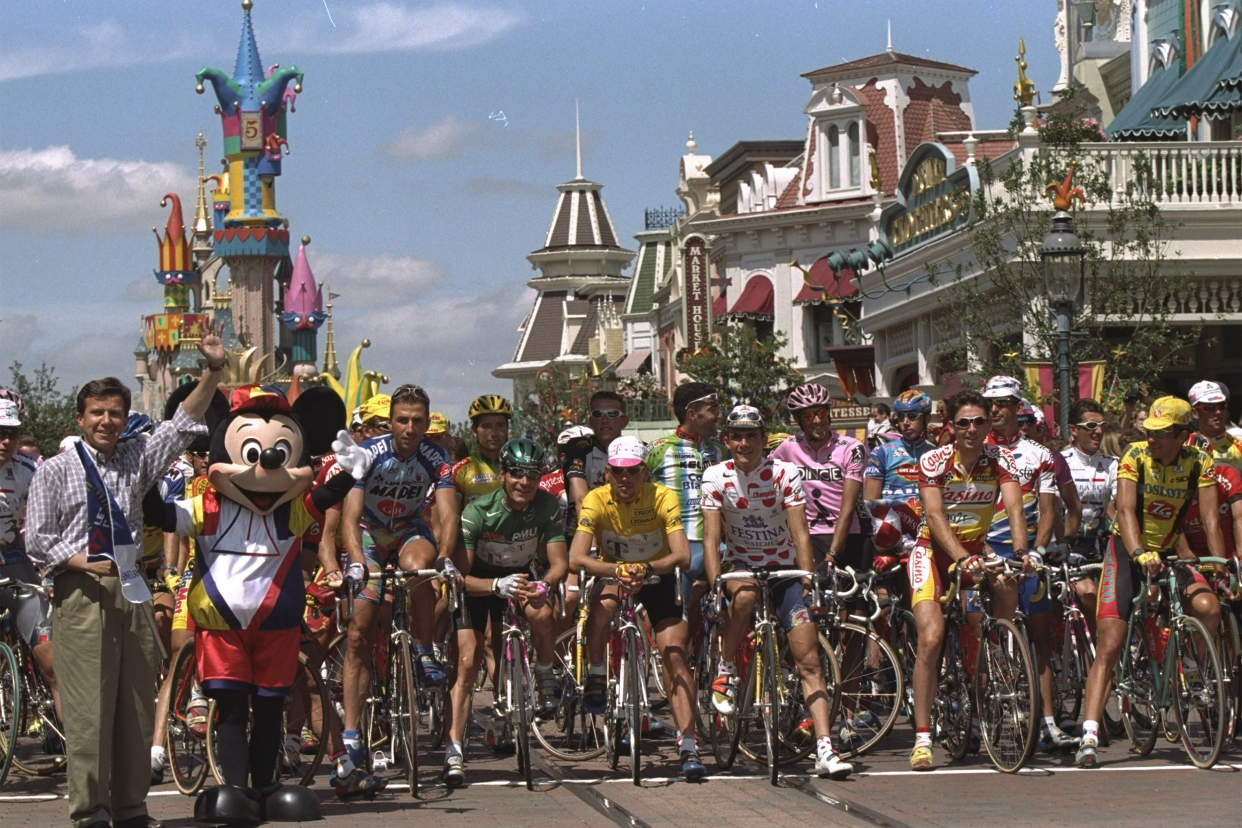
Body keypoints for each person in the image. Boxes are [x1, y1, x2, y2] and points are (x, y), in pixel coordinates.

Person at [26, 336, 225, 828]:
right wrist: (78, 561)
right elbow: (37, 536)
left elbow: (181, 425)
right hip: (80, 593)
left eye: (115, 413)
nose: (107, 422)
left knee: (137, 702)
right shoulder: (54, 470)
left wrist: (214, 371)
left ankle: (133, 806)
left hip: (132, 587)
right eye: (97, 413)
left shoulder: (137, 457)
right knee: (89, 708)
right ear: (80, 418)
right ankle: (91, 810)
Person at [701, 404, 853, 779]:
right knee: (747, 594)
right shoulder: (715, 476)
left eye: (751, 436)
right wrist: (716, 583)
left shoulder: (784, 473)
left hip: (783, 568)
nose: (744, 443)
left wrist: (806, 577)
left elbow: (801, 532)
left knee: (810, 660)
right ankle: (725, 669)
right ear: (727, 440)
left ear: (762, 440)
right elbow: (711, 538)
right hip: (740, 564)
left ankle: (824, 748)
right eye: (737, 436)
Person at [1075, 396, 1224, 769]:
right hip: (1126, 550)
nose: (1153, 438)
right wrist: (1139, 550)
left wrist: (1221, 566)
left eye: (1162, 433)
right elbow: (1124, 509)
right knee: (1110, 641)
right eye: (1150, 431)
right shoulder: (1135, 456)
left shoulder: (1198, 462)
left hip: (1170, 550)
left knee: (1209, 607)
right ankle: (1089, 733)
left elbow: (1210, 521)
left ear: (1183, 435)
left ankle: (1191, 669)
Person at [339, 384, 458, 776]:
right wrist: (356, 562)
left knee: (417, 569)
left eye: (417, 421)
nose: (409, 427)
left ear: (427, 423)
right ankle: (352, 735)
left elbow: (448, 513)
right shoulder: (369, 453)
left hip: (409, 530)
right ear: (390, 422)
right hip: (371, 533)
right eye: (402, 420)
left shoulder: (436, 456)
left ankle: (423, 650)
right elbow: (350, 515)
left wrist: (443, 558)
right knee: (358, 632)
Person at [569, 436, 704, 780]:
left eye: (631, 472)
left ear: (645, 472)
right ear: (608, 474)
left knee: (674, 654)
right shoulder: (596, 500)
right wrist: (619, 570)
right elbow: (577, 558)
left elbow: (682, 557)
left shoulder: (663, 497)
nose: (624, 480)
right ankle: (598, 675)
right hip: (615, 571)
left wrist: (644, 570)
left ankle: (688, 743)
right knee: (601, 609)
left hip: (655, 576)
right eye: (617, 472)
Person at [908, 390, 1029, 771]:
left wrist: (1022, 552)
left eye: (980, 421)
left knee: (990, 612)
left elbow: (1013, 507)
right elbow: (934, 514)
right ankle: (923, 738)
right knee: (931, 637)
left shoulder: (1001, 459)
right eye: (964, 423)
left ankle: (995, 651)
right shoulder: (934, 460)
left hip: (976, 550)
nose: (973, 429)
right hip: (933, 552)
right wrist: (962, 559)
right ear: (951, 427)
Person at [442, 439, 567, 787]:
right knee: (468, 662)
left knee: (543, 615)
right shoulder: (478, 511)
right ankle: (454, 747)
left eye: (532, 475)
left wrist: (545, 585)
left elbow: (559, 564)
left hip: (522, 578)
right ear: (503, 474)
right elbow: (462, 579)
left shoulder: (546, 506)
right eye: (516, 474)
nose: (524, 483)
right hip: (480, 585)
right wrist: (496, 586)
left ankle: (544, 673)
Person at [980, 378, 1075, 752]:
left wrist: (1037, 550)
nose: (995, 410)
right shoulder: (973, 449)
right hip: (986, 550)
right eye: (990, 404)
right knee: (985, 635)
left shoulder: (1041, 454)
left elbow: (1050, 509)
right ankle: (982, 717)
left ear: (1018, 407)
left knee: (1041, 638)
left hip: (1026, 555)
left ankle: (1048, 722)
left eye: (1003, 403)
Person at [0, 398, 59, 725]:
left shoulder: (29, 470)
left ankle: (74, 747)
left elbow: (49, 521)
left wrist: (50, 572)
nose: (5, 441)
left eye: (11, 433)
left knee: (51, 659)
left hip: (15, 563)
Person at [645, 383, 726, 598]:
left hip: (721, 548)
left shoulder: (721, 450)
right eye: (713, 409)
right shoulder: (658, 449)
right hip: (678, 549)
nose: (719, 415)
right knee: (679, 626)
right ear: (692, 414)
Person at [1061, 399, 1117, 632]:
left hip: (1097, 544)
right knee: (1087, 593)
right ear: (1074, 429)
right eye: (1091, 426)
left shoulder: (1113, 464)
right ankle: (1096, 643)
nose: (1099, 431)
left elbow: (1120, 508)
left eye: (1101, 425)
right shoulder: (1060, 461)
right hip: (1065, 543)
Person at [864, 390, 935, 558]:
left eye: (912, 415)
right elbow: (871, 504)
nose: (905, 422)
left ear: (927, 418)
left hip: (927, 537)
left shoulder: (937, 453)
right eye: (901, 416)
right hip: (892, 537)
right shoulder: (881, 453)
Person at [452, 396, 511, 507]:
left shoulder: (521, 468)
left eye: (500, 425)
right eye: (486, 426)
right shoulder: (460, 471)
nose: (493, 432)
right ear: (474, 430)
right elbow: (450, 516)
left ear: (507, 428)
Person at [1188, 380, 1242, 475]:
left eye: (1222, 406)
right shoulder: (1183, 445)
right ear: (1195, 413)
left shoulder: (1239, 447)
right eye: (1210, 408)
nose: (1218, 412)